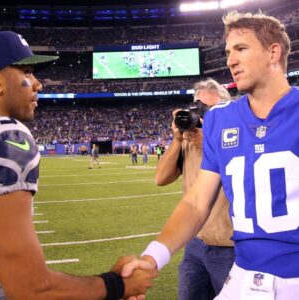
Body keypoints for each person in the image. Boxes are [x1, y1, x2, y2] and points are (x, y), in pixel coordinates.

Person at [122, 11, 299, 299]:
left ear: (273, 53)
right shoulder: (220, 120)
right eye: (228, 52)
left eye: (241, 49)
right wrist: (152, 257)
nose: (230, 60)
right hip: (243, 278)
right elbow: (195, 203)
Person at [0, 30, 157, 300]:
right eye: (27, 72)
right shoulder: (9, 136)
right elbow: (29, 288)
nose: (38, 84)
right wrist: (116, 285)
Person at [155, 79, 234, 300]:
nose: (202, 115)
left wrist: (210, 142)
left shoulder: (233, 139)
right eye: (199, 107)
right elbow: (160, 178)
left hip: (229, 247)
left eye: (209, 109)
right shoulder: (187, 140)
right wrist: (177, 139)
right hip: (195, 245)